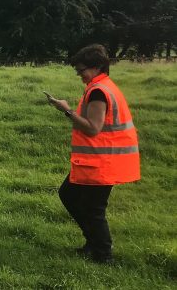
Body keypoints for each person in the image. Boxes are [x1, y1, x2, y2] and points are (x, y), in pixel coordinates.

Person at [45, 44, 140, 264]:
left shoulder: (99, 91)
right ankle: (94, 244)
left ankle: (103, 255)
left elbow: (92, 128)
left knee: (93, 209)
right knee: (69, 195)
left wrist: (66, 110)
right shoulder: (102, 86)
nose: (79, 74)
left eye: (81, 70)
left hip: (102, 161)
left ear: (97, 67)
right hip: (96, 159)